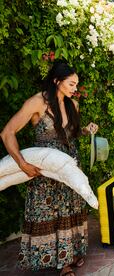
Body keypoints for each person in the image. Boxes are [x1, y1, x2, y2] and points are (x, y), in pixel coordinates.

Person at [0, 62, 98, 276]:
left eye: (76, 84)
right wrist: (22, 164)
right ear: (56, 81)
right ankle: (63, 266)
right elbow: (7, 133)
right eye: (71, 84)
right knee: (50, 214)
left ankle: (71, 254)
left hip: (69, 167)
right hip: (45, 171)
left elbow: (70, 133)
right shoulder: (36, 103)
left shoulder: (73, 105)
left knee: (71, 212)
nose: (75, 88)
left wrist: (85, 130)